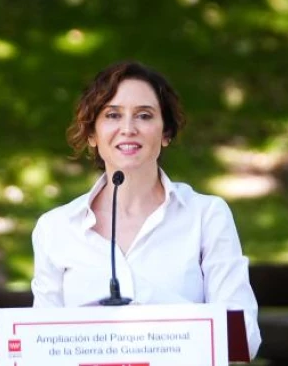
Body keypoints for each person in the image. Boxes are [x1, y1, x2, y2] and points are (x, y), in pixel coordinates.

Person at [30, 60, 261, 360]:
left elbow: (244, 337)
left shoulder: (207, 216)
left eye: (144, 115)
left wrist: (143, 310)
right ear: (91, 134)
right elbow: (39, 348)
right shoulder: (55, 228)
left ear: (166, 133)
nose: (128, 129)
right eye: (112, 115)